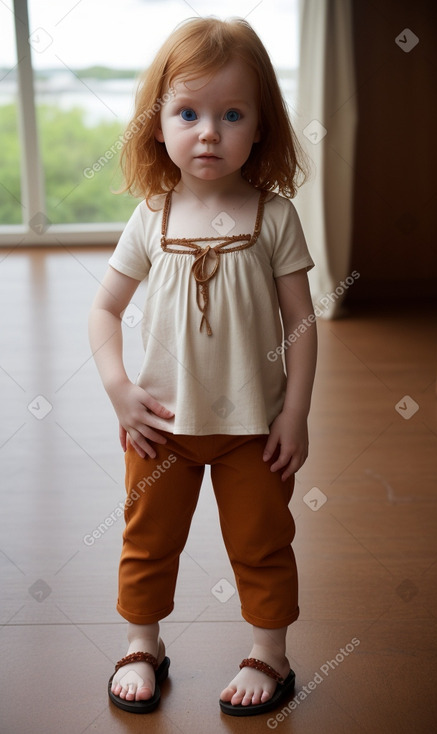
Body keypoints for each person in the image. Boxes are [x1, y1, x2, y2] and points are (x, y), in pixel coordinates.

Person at [88, 15, 317, 717]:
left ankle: (269, 655)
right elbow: (102, 312)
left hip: (253, 428)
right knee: (148, 539)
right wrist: (120, 390)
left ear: (260, 129)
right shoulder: (151, 217)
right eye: (188, 112)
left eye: (231, 114)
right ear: (157, 124)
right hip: (161, 427)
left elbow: (300, 322)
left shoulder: (273, 218)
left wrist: (294, 412)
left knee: (261, 542)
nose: (209, 131)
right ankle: (141, 643)